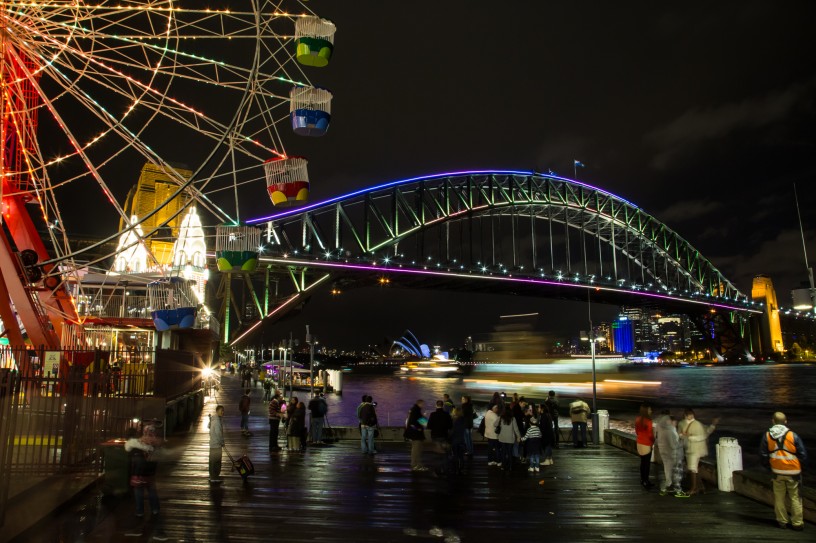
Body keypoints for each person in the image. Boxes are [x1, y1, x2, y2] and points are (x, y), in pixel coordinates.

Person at [759, 412, 807, 531]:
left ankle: (782, 521)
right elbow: (803, 455)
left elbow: (763, 455)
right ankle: (797, 523)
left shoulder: (767, 436)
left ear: (773, 421)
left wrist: (769, 467)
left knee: (779, 497)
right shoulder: (793, 435)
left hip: (777, 472)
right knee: (795, 497)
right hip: (793, 472)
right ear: (786, 422)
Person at [124, 425, 167, 540]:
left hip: (138, 474)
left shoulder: (137, 442)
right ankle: (155, 510)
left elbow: (127, 447)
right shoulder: (157, 445)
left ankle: (139, 512)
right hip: (150, 475)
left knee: (138, 494)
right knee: (152, 492)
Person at [678, 408, 718, 495]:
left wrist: (689, 437)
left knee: (692, 469)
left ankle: (694, 488)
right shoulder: (683, 423)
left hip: (694, 450)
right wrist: (713, 425)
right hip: (690, 449)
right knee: (694, 469)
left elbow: (703, 436)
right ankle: (700, 487)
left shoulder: (696, 424)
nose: (689, 417)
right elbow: (706, 432)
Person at [654, 411, 687, 497]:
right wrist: (683, 441)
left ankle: (664, 489)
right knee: (676, 474)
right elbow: (673, 445)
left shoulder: (664, 430)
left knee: (667, 473)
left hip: (665, 454)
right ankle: (678, 491)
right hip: (673, 455)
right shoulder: (670, 431)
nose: (676, 423)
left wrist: (679, 436)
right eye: (675, 422)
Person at [635, 403, 655, 489]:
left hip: (639, 442)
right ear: (646, 410)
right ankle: (646, 481)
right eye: (650, 409)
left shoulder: (638, 419)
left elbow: (636, 431)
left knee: (642, 462)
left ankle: (642, 479)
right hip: (646, 443)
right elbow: (651, 434)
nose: (651, 411)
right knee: (646, 463)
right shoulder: (649, 421)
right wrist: (653, 440)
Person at [405, 400, 427, 471]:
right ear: (420, 404)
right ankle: (417, 465)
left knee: (414, 449)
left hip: (413, 433)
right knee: (417, 449)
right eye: (423, 404)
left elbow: (411, 422)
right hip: (416, 434)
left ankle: (415, 464)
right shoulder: (417, 411)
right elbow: (421, 423)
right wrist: (418, 429)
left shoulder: (414, 410)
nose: (423, 405)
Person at [208, 405, 225, 483]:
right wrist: (222, 442)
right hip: (216, 444)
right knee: (217, 461)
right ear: (217, 411)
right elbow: (218, 434)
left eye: (223, 411)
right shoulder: (217, 421)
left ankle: (212, 476)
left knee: (212, 461)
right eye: (221, 410)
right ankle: (215, 477)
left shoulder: (213, 419)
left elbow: (208, 426)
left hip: (212, 443)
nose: (223, 412)